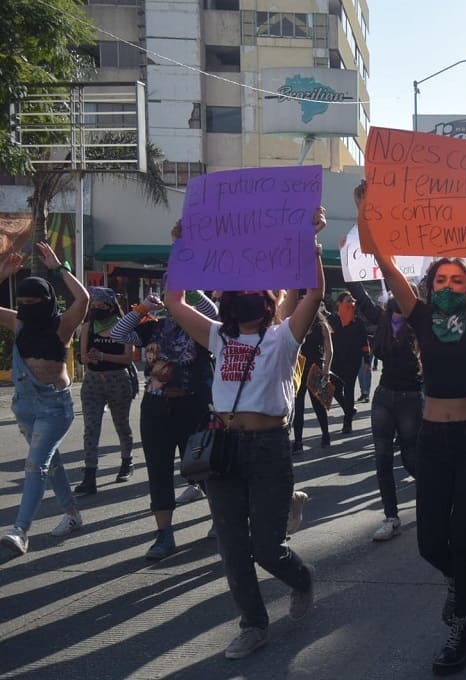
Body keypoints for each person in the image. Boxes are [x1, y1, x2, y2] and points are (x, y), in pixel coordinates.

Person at [371, 180, 466, 675]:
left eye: (456, 281)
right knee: (429, 543)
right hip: (432, 441)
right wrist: (365, 211)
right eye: (439, 280)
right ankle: (459, 586)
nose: (446, 287)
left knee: (462, 539)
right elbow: (385, 262)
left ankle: (460, 633)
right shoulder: (417, 321)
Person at [163, 209, 325, 660]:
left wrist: (308, 240)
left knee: (266, 549)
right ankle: (253, 624)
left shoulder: (282, 338)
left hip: (269, 448)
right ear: (230, 302)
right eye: (241, 293)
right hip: (225, 448)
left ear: (269, 303)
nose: (249, 298)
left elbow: (313, 291)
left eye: (258, 292)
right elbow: (174, 300)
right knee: (232, 547)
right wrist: (184, 246)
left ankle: (301, 577)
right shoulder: (217, 337)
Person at [110, 278, 219, 559]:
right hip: (156, 408)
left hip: (193, 405)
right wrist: (141, 308)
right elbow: (118, 334)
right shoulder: (153, 325)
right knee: (158, 471)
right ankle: (164, 535)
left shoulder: (199, 325)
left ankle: (221, 519)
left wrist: (191, 291)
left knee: (202, 468)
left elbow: (214, 315)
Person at [0, 244, 90, 556]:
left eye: (32, 302)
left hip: (54, 406)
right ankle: (72, 515)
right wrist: (2, 275)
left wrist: (59, 267)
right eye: (21, 302)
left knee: (35, 464)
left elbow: (84, 299)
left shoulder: (62, 325)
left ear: (46, 301)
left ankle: (20, 531)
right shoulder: (19, 322)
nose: (25, 306)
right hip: (25, 405)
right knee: (51, 464)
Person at [346, 279, 424, 542]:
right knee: (382, 460)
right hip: (384, 397)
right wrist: (349, 269)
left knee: (411, 459)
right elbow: (362, 298)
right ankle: (391, 518)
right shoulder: (382, 319)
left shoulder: (419, 324)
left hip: (410, 399)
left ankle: (434, 495)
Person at [73, 286, 136, 494]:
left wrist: (103, 356)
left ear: (111, 306)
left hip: (118, 380)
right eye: (94, 305)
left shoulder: (124, 327)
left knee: (121, 424)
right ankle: (89, 475)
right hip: (93, 382)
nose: (97, 308)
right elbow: (82, 357)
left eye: (102, 305)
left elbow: (127, 358)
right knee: (91, 428)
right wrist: (89, 357)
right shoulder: (88, 327)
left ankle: (127, 462)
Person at [293, 309, 335, 452]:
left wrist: (326, 370)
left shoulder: (321, 326)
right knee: (298, 407)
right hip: (299, 369)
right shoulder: (297, 323)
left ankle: (325, 434)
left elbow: (329, 350)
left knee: (318, 405)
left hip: (316, 369)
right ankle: (298, 441)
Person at [329, 291, 370, 434]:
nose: (351, 303)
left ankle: (347, 423)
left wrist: (367, 360)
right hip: (335, 362)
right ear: (339, 304)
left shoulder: (357, 322)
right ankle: (349, 409)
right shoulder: (331, 320)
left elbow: (364, 341)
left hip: (353, 361)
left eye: (352, 301)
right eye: (348, 300)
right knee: (334, 389)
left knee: (349, 390)